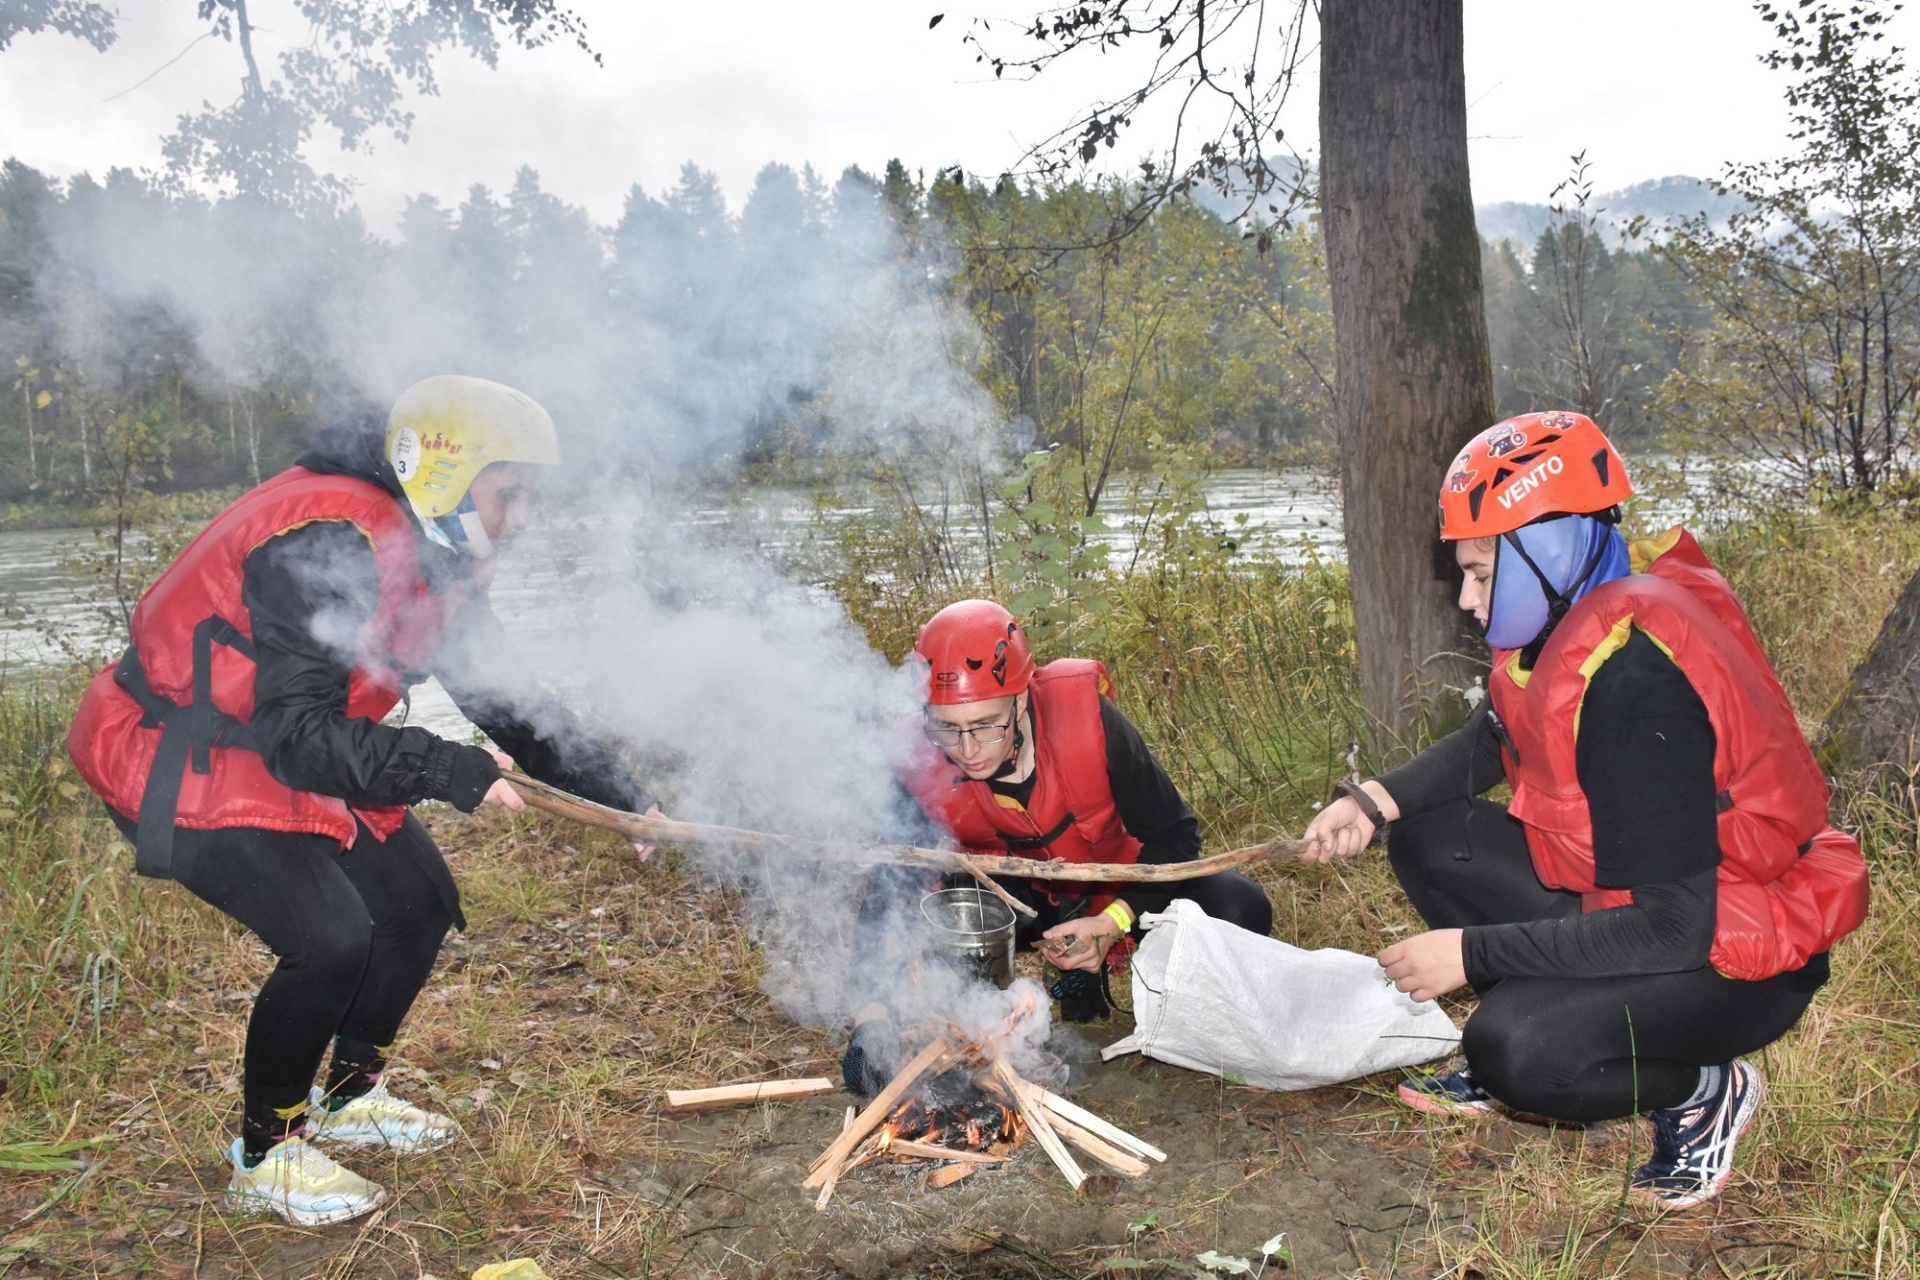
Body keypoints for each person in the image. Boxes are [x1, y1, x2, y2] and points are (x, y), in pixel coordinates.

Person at [66, 375, 662, 1226]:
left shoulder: (438, 553)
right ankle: (266, 1155)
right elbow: (297, 736)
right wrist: (448, 769)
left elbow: (511, 705)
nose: (524, 516)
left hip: (287, 748)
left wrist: (629, 799)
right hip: (176, 752)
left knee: (417, 904)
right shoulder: (325, 545)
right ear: (446, 476)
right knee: (330, 939)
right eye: (512, 491)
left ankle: (350, 1097)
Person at [1302, 411, 1869, 1210]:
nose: (1467, 600)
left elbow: (1674, 931)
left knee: (1515, 1051)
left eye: (1481, 574)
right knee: (1427, 833)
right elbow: (1499, 736)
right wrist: (1371, 803)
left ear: (1552, 550)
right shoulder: (1577, 619)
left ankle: (1704, 1090)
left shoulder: (1637, 692)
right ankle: (1561, 1011)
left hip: (1732, 954)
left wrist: (1471, 954)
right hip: (1637, 899)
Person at [843, 599, 1274, 1093]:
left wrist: (1111, 923)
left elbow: (1175, 836)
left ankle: (1175, 1008)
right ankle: (1004, 1013)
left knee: (1239, 905)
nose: (967, 749)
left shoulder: (1087, 720)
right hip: (1011, 905)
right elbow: (891, 881)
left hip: (1117, 887)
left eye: (985, 724)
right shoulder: (917, 756)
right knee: (954, 961)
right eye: (947, 727)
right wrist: (870, 1016)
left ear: (1020, 699)